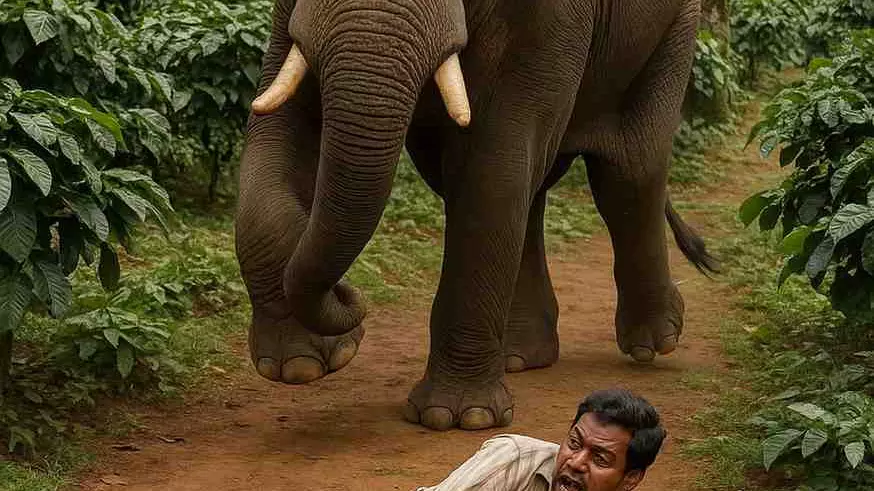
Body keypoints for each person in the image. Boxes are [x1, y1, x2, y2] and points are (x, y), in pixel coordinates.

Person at [415, 388, 666, 491]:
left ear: (630, 479)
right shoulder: (513, 459)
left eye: (600, 459)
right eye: (574, 443)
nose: (576, 462)